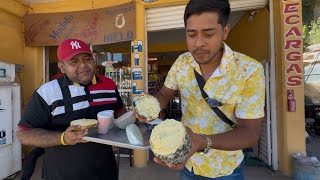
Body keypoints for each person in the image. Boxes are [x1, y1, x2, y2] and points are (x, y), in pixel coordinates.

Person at [137, 0, 265, 179]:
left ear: (225, 31)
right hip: (188, 166)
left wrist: (203, 142)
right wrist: (151, 107)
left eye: (208, 34)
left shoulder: (249, 70)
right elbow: (165, 93)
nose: (198, 43)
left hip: (226, 170)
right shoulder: (182, 63)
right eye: (191, 34)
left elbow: (250, 133)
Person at [17, 38, 126, 180]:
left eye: (87, 59)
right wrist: (63, 138)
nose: (83, 65)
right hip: (61, 174)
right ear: (62, 67)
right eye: (74, 61)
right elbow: (24, 134)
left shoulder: (109, 85)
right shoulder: (47, 93)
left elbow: (119, 112)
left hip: (106, 171)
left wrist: (134, 117)